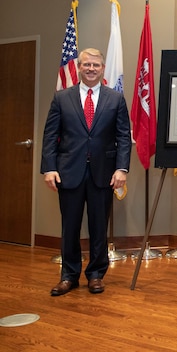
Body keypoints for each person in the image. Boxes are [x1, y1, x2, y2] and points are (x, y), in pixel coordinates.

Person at [41, 48, 132, 296]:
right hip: (68, 172)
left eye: (96, 65)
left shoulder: (115, 99)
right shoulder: (62, 98)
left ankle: (95, 274)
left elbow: (124, 136)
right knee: (69, 226)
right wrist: (49, 168)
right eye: (86, 65)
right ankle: (69, 276)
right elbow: (50, 135)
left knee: (98, 227)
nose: (91, 69)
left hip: (104, 173)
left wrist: (121, 169)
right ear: (79, 67)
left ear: (102, 68)